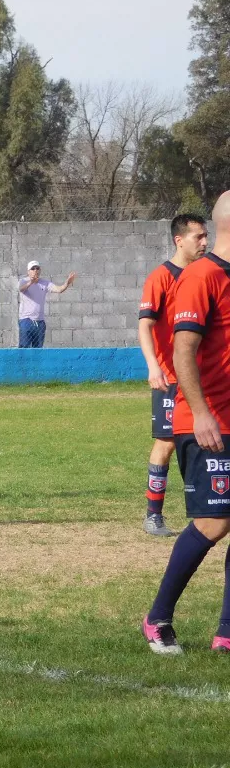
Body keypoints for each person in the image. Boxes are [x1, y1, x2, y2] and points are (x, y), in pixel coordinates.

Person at [141, 192, 230, 657]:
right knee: (213, 523)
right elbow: (182, 351)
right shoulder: (201, 275)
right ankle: (157, 618)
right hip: (208, 420)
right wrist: (201, 413)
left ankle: (226, 634)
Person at [138, 214, 208, 539]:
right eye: (199, 237)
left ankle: (208, 511)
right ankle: (153, 515)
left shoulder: (205, 276)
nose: (205, 243)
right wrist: (153, 366)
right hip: (169, 377)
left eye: (206, 236)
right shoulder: (160, 278)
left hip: (201, 376)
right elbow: (145, 325)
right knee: (166, 443)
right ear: (179, 240)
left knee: (207, 439)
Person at [17, 260, 76, 348]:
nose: (35, 270)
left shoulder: (45, 283)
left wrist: (67, 283)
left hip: (40, 322)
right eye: (33, 269)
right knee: (24, 348)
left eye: (37, 268)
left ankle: (36, 362)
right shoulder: (23, 281)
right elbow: (21, 289)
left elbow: (59, 289)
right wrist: (31, 282)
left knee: (38, 349)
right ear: (28, 271)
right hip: (26, 320)